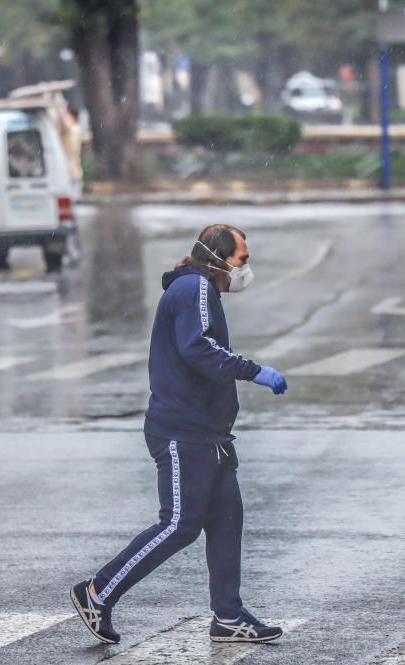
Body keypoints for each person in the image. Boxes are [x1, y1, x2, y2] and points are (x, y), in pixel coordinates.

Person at [70, 224, 289, 645]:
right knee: (179, 524)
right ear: (219, 258)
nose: (246, 269)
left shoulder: (197, 289)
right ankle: (97, 592)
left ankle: (228, 616)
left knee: (227, 520)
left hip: (209, 434)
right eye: (243, 260)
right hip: (183, 432)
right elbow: (198, 347)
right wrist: (253, 370)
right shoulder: (196, 289)